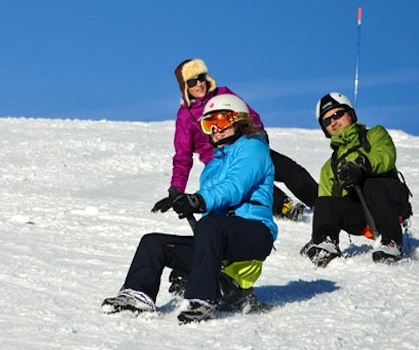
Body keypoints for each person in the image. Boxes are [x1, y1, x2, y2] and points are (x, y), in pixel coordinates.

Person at [104, 94, 277, 324]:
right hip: (220, 237)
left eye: (221, 121)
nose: (215, 129)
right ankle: (137, 295)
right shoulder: (214, 165)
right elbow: (212, 208)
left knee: (210, 225)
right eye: (209, 123)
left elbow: (233, 187)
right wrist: (185, 203)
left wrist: (198, 200)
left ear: (239, 120)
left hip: (255, 232)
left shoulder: (253, 149)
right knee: (154, 243)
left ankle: (202, 298)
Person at [155, 58, 317, 221]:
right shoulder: (185, 117)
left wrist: (257, 131)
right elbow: (182, 156)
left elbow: (248, 114)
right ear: (185, 87)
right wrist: (176, 189)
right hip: (222, 161)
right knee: (250, 181)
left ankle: (319, 201)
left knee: (288, 168)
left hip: (246, 144)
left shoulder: (223, 94)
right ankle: (285, 207)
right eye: (192, 82)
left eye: (201, 78)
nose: (199, 84)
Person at [300, 92, 412, 266]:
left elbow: (386, 156)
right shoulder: (329, 167)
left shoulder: (373, 135)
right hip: (360, 214)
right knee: (324, 202)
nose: (334, 122)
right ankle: (324, 242)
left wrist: (363, 165)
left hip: (389, 202)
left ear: (350, 113)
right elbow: (329, 201)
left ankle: (391, 241)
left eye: (337, 114)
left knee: (372, 184)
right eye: (327, 121)